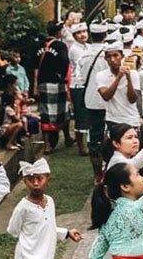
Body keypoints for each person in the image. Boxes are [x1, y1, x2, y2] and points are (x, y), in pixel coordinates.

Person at [33, 22, 74, 155]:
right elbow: (64, 62)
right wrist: (62, 76)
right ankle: (67, 137)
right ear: (58, 32)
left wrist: (35, 84)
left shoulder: (38, 45)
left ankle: (47, 145)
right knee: (63, 111)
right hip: (57, 83)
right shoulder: (60, 45)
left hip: (43, 83)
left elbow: (33, 66)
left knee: (45, 113)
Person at [77, 23, 109, 184]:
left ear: (90, 34)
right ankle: (107, 170)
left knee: (94, 138)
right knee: (110, 136)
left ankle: (97, 175)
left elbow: (81, 78)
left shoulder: (84, 56)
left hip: (91, 100)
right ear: (106, 34)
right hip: (108, 100)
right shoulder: (109, 54)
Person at [96, 42, 141, 131]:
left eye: (116, 55)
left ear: (122, 56)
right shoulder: (101, 75)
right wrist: (119, 77)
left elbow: (132, 99)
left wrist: (128, 78)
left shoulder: (133, 74)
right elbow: (106, 96)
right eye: (109, 56)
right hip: (112, 120)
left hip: (131, 119)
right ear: (105, 58)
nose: (112, 59)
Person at [68, 22, 90, 156]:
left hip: (86, 84)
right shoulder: (75, 49)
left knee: (86, 114)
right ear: (74, 35)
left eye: (84, 32)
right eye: (79, 33)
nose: (83, 35)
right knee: (80, 115)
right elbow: (83, 64)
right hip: (78, 84)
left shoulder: (87, 46)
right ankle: (81, 146)